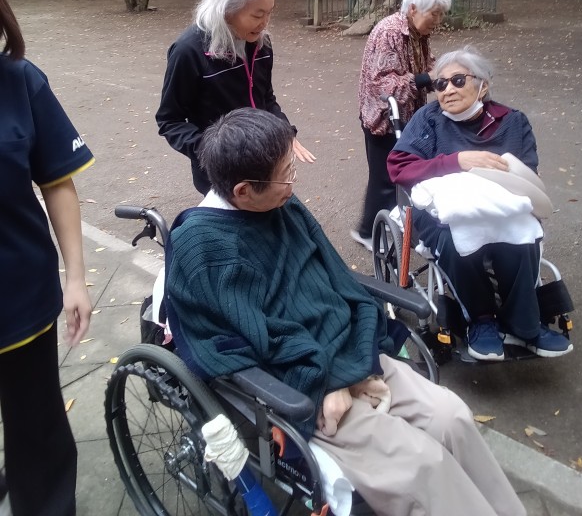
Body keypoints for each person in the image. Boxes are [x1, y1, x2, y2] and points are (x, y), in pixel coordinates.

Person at [166, 107, 525, 516]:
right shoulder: (204, 249)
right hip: (304, 384)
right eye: (286, 174)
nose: (293, 183)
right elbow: (242, 343)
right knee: (421, 465)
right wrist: (332, 380)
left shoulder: (281, 204)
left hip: (351, 350)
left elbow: (336, 278)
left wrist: (357, 365)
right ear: (244, 191)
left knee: (452, 417)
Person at [387, 45, 573, 362]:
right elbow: (399, 167)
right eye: (440, 84)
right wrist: (457, 161)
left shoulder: (512, 122)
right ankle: (481, 320)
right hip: (443, 211)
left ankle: (525, 324)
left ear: (483, 86)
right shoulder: (428, 119)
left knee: (523, 231)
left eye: (458, 80)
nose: (447, 90)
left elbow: (527, 172)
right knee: (453, 238)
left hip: (501, 207)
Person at [0, 0, 94, 516]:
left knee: (37, 432)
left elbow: (57, 181)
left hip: (21, 301)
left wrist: (75, 277)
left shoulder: (20, 82)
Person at [156, 0, 315, 194]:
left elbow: (265, 98)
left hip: (264, 166)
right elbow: (170, 121)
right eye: (257, 15)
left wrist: (284, 133)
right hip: (220, 177)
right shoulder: (188, 51)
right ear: (228, 9)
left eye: (269, 13)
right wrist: (215, 154)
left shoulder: (261, 44)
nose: (264, 24)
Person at [352, 0, 451, 250]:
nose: (438, 20)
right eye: (435, 13)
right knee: (384, 178)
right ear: (414, 8)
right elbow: (385, 85)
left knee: (398, 173)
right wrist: (427, 78)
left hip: (407, 115)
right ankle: (367, 232)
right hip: (383, 117)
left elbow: (427, 66)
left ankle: (393, 224)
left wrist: (443, 76)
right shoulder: (390, 32)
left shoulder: (418, 32)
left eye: (442, 14)